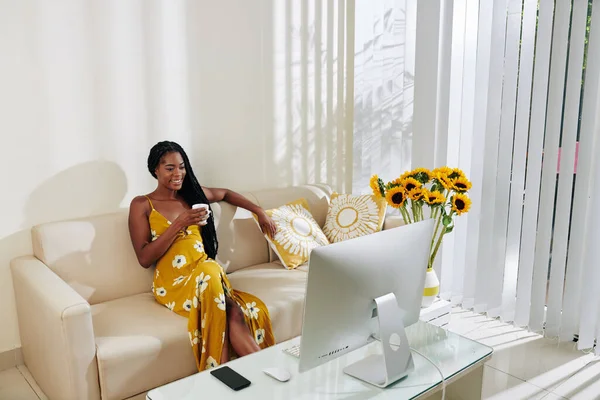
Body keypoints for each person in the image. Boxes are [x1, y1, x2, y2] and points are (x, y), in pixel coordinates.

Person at [128, 140, 277, 372]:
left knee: (235, 310)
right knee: (212, 271)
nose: (178, 173)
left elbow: (226, 193)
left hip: (205, 276)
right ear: (155, 170)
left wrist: (258, 211)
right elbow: (144, 258)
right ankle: (251, 371)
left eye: (182, 166)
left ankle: (260, 372)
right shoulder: (142, 204)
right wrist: (180, 223)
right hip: (174, 282)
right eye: (170, 168)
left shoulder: (192, 195)